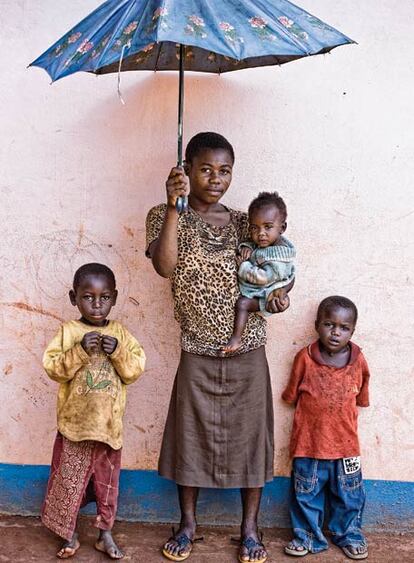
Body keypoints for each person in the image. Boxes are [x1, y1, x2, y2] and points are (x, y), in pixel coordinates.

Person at [146, 132, 293, 563]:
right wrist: (175, 208)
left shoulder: (247, 222)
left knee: (252, 437)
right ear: (187, 169)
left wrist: (280, 295)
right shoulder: (163, 214)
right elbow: (165, 266)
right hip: (197, 345)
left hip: (247, 345)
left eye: (224, 170)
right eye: (205, 169)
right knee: (188, 436)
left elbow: (279, 265)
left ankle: (249, 529)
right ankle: (188, 525)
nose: (215, 178)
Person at [41, 263, 146, 559]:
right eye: (88, 297)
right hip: (75, 428)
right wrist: (78, 351)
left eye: (104, 297)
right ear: (74, 298)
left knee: (106, 487)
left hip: (108, 430)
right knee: (68, 483)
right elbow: (53, 367)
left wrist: (119, 352)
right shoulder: (69, 332)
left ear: (114, 297)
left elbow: (135, 370)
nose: (97, 304)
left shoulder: (120, 334)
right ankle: (69, 534)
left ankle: (105, 535)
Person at [282, 296, 370, 560]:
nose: (335, 332)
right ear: (316, 325)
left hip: (346, 447)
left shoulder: (358, 361)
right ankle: (307, 536)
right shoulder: (305, 358)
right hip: (309, 444)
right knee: (306, 495)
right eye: (329, 324)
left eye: (344, 328)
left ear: (352, 331)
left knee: (350, 496)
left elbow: (362, 397)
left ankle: (350, 534)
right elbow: (291, 395)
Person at [223, 191, 295, 354]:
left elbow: (263, 277)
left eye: (268, 227)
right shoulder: (267, 244)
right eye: (255, 228)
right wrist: (247, 248)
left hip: (266, 295)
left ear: (282, 228)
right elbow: (252, 246)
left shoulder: (279, 257)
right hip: (262, 290)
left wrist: (244, 266)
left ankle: (236, 339)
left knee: (243, 304)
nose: (261, 233)